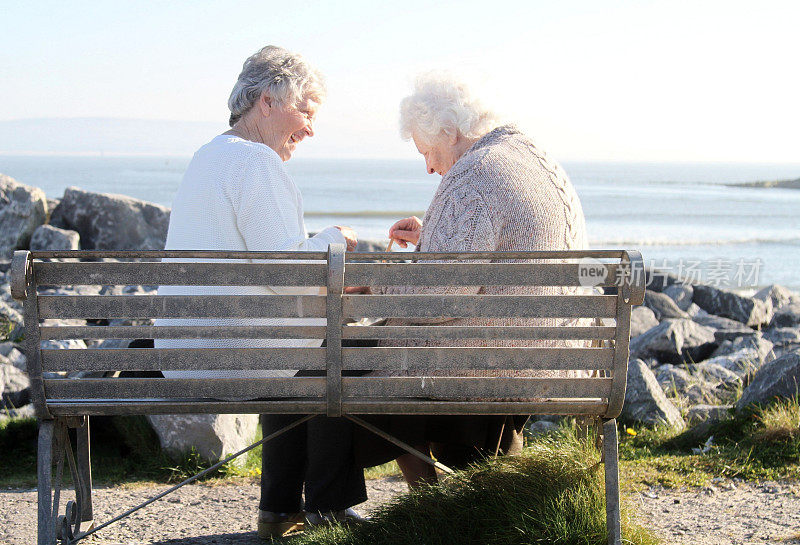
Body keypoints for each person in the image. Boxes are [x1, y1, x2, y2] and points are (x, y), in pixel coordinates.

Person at [154, 45, 365, 538]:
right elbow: (288, 270)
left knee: (302, 345)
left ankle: (279, 509)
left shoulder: (208, 155)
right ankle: (329, 507)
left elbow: (261, 272)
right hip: (230, 351)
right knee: (340, 346)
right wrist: (337, 239)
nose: (311, 128)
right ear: (267, 100)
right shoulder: (255, 163)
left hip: (188, 350)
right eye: (306, 112)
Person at [357, 72, 590, 487]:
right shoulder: (532, 156)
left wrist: (375, 282)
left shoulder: (471, 175)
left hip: (491, 366)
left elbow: (432, 299)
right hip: (551, 352)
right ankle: (454, 502)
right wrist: (432, 234)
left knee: (361, 361)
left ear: (449, 132)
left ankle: (424, 505)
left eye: (426, 151)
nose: (428, 166)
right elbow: (503, 242)